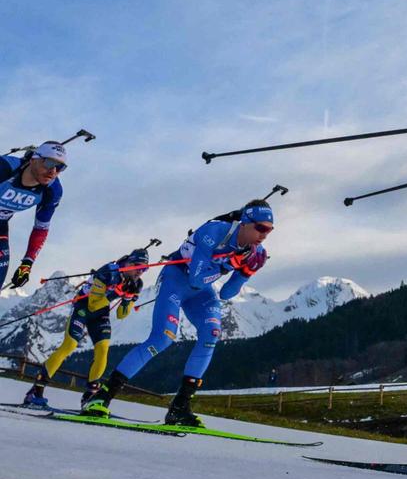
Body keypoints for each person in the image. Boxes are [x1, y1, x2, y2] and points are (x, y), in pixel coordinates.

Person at [80, 199, 272, 427]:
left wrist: (248, 271)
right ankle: (101, 397)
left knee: (212, 334)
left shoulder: (256, 252)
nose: (264, 235)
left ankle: (179, 408)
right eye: (260, 228)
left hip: (201, 292)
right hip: (176, 279)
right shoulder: (214, 231)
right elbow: (196, 277)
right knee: (162, 339)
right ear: (245, 223)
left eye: (269, 230)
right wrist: (227, 264)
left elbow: (227, 293)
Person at [22, 248, 149, 407]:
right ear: (129, 262)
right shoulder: (109, 271)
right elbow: (93, 304)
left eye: (145, 269)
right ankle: (36, 391)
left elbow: (122, 315)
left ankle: (90, 395)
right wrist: (117, 292)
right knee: (69, 346)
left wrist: (128, 299)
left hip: (101, 312)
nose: (140, 272)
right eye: (138, 266)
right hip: (83, 307)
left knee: (103, 350)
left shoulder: (137, 283)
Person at [0, 142, 66, 290]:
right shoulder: (5, 168)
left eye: (60, 167)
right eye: (49, 163)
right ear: (33, 159)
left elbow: (41, 228)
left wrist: (27, 263)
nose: (53, 171)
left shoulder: (52, 190)